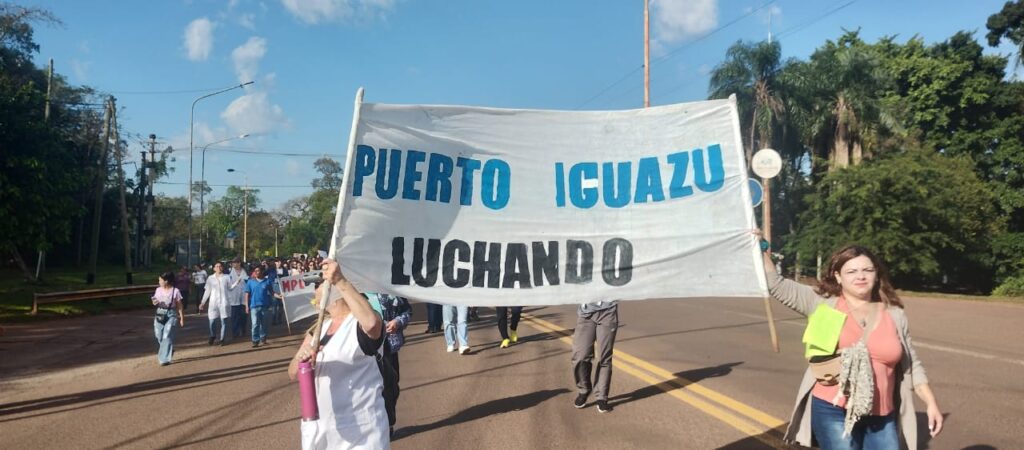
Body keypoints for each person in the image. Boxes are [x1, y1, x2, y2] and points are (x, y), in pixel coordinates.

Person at [762, 241, 943, 449]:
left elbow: (911, 364)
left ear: (877, 274)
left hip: (882, 414)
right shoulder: (822, 303)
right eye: (852, 271)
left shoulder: (894, 314)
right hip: (833, 409)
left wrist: (931, 403)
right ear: (838, 276)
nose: (861, 276)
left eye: (868, 270)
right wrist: (760, 249)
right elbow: (775, 283)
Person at [289, 258, 388, 449]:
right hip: (322, 431)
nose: (314, 290)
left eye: (318, 284)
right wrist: (301, 359)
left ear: (332, 291)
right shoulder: (318, 330)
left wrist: (340, 280)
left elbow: (372, 324)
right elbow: (292, 372)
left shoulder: (358, 324)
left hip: (361, 431)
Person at [571, 300, 618, 413]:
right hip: (586, 315)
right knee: (580, 356)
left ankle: (602, 397)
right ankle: (584, 389)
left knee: (604, 358)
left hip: (608, 311)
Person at [377, 294, 411, 438]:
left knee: (391, 387)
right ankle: (375, 425)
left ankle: (388, 422)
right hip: (362, 352)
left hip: (388, 348)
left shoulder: (391, 290)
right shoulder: (356, 291)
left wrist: (398, 321)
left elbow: (407, 311)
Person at [151, 272, 185, 366]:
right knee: (159, 335)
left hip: (171, 314)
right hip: (160, 313)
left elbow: (179, 305)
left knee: (167, 335)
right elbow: (155, 300)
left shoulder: (175, 291)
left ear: (166, 281)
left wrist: (181, 317)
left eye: (160, 280)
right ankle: (168, 348)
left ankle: (164, 359)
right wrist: (154, 301)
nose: (159, 282)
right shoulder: (158, 290)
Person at [199, 261, 232, 346]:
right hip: (213, 303)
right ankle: (213, 335)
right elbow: (207, 291)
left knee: (223, 321)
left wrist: (236, 284)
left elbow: (230, 288)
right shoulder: (210, 278)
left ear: (222, 268)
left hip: (224, 302)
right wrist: (202, 302)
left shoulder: (227, 277)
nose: (218, 268)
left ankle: (222, 338)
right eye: (216, 266)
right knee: (212, 320)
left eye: (220, 266)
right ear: (214, 268)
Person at [245, 265, 275, 347]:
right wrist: (247, 306)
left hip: (265, 306)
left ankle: (263, 337)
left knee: (264, 324)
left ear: (262, 272)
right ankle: (255, 340)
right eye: (255, 271)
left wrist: (280, 296)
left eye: (258, 271)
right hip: (254, 306)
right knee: (255, 324)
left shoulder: (267, 281)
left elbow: (272, 292)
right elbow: (247, 294)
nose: (256, 272)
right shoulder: (250, 282)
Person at [228, 259, 249, 339]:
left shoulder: (245, 271)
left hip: (244, 297)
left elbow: (248, 282)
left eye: (234, 262)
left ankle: (243, 330)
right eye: (232, 263)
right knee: (234, 316)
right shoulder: (229, 272)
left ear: (239, 263)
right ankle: (235, 332)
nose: (233, 264)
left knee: (243, 316)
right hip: (234, 297)